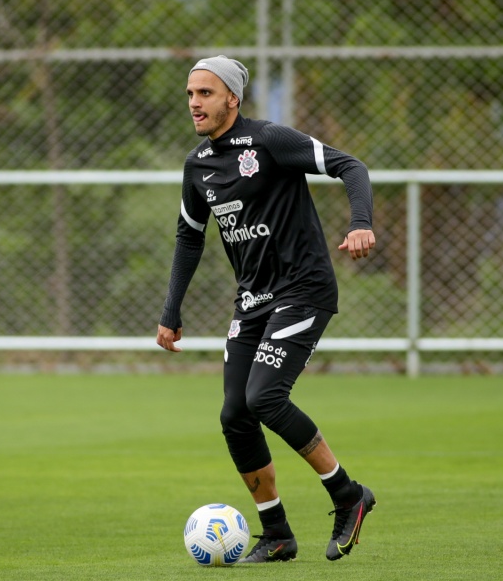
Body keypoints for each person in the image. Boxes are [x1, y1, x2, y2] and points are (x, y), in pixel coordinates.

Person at [156, 55, 376, 563]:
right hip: (252, 301)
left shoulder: (270, 140)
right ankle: (276, 533)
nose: (194, 102)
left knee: (264, 397)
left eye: (205, 93)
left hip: (304, 289)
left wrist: (360, 222)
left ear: (232, 97)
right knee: (235, 414)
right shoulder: (197, 166)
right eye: (190, 94)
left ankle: (349, 496)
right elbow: (189, 239)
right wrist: (171, 312)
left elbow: (351, 166)